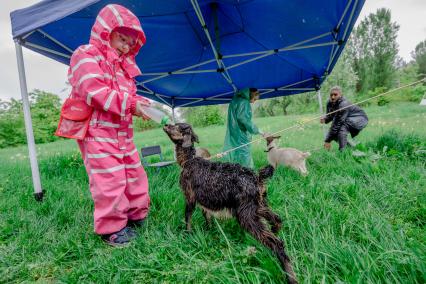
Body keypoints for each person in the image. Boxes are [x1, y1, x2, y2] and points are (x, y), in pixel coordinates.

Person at [62, 4, 151, 246]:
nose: (125, 47)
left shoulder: (124, 68)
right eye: (122, 39)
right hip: (97, 132)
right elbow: (94, 92)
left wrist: (144, 104)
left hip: (123, 133)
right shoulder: (86, 55)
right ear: (105, 31)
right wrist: (132, 105)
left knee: (134, 173)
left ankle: (135, 214)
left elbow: (131, 97)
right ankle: (111, 228)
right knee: (109, 179)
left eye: (130, 44)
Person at [223, 88, 263, 168]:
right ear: (251, 95)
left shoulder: (234, 100)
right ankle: (248, 176)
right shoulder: (244, 102)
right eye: (254, 99)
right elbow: (244, 119)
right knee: (244, 156)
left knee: (236, 154)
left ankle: (236, 173)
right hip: (241, 135)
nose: (253, 102)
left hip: (234, 133)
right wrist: (258, 130)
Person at [320, 86, 368, 151]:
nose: (333, 97)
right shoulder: (329, 103)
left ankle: (342, 152)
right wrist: (325, 119)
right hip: (347, 118)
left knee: (341, 129)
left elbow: (337, 123)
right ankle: (351, 148)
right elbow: (330, 116)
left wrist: (327, 141)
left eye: (335, 95)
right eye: (331, 95)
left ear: (341, 95)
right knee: (334, 134)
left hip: (359, 118)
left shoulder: (344, 104)